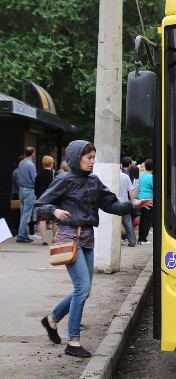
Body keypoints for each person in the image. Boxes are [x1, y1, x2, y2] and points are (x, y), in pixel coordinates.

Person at [35, 140, 152, 358]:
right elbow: (40, 204)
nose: (92, 161)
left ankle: (52, 319)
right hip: (69, 238)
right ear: (75, 158)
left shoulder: (94, 181)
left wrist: (133, 205)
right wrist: (55, 211)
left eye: (93, 157)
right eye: (88, 157)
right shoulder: (64, 180)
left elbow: (111, 205)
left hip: (88, 239)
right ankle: (74, 341)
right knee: (82, 288)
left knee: (84, 289)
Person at [16, 147, 37, 243]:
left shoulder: (21, 163)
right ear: (32, 153)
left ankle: (23, 234)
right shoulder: (31, 165)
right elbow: (34, 179)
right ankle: (21, 235)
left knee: (23, 213)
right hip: (29, 189)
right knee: (27, 214)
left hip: (21, 189)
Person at [35, 155, 57, 245]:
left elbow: (36, 190)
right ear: (51, 163)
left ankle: (44, 239)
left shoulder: (38, 175)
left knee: (42, 219)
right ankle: (55, 238)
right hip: (52, 199)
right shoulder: (55, 174)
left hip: (41, 199)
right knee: (54, 220)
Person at [119, 158, 137, 247]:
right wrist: (133, 202)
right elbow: (131, 190)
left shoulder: (110, 176)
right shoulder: (125, 176)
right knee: (128, 223)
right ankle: (132, 241)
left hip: (112, 204)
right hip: (125, 203)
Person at [137, 158, 154, 245]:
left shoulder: (142, 175)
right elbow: (155, 188)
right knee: (147, 220)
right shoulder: (152, 177)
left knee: (142, 220)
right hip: (149, 201)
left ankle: (140, 238)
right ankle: (143, 239)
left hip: (141, 199)